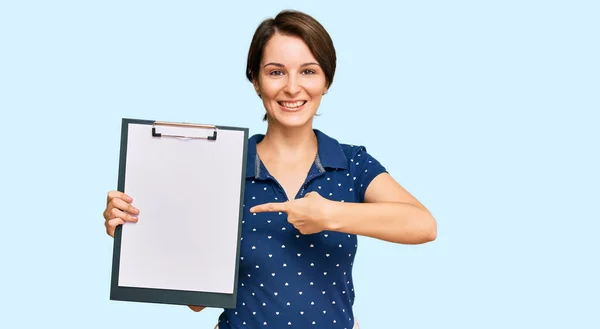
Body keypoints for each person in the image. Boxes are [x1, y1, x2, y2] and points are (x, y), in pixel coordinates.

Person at [103, 9, 437, 329]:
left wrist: (330, 215)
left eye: (308, 71)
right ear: (255, 80)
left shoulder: (352, 164)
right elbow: (197, 300)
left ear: (327, 81)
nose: (292, 87)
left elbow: (423, 225)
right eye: (276, 72)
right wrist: (138, 232)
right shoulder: (222, 165)